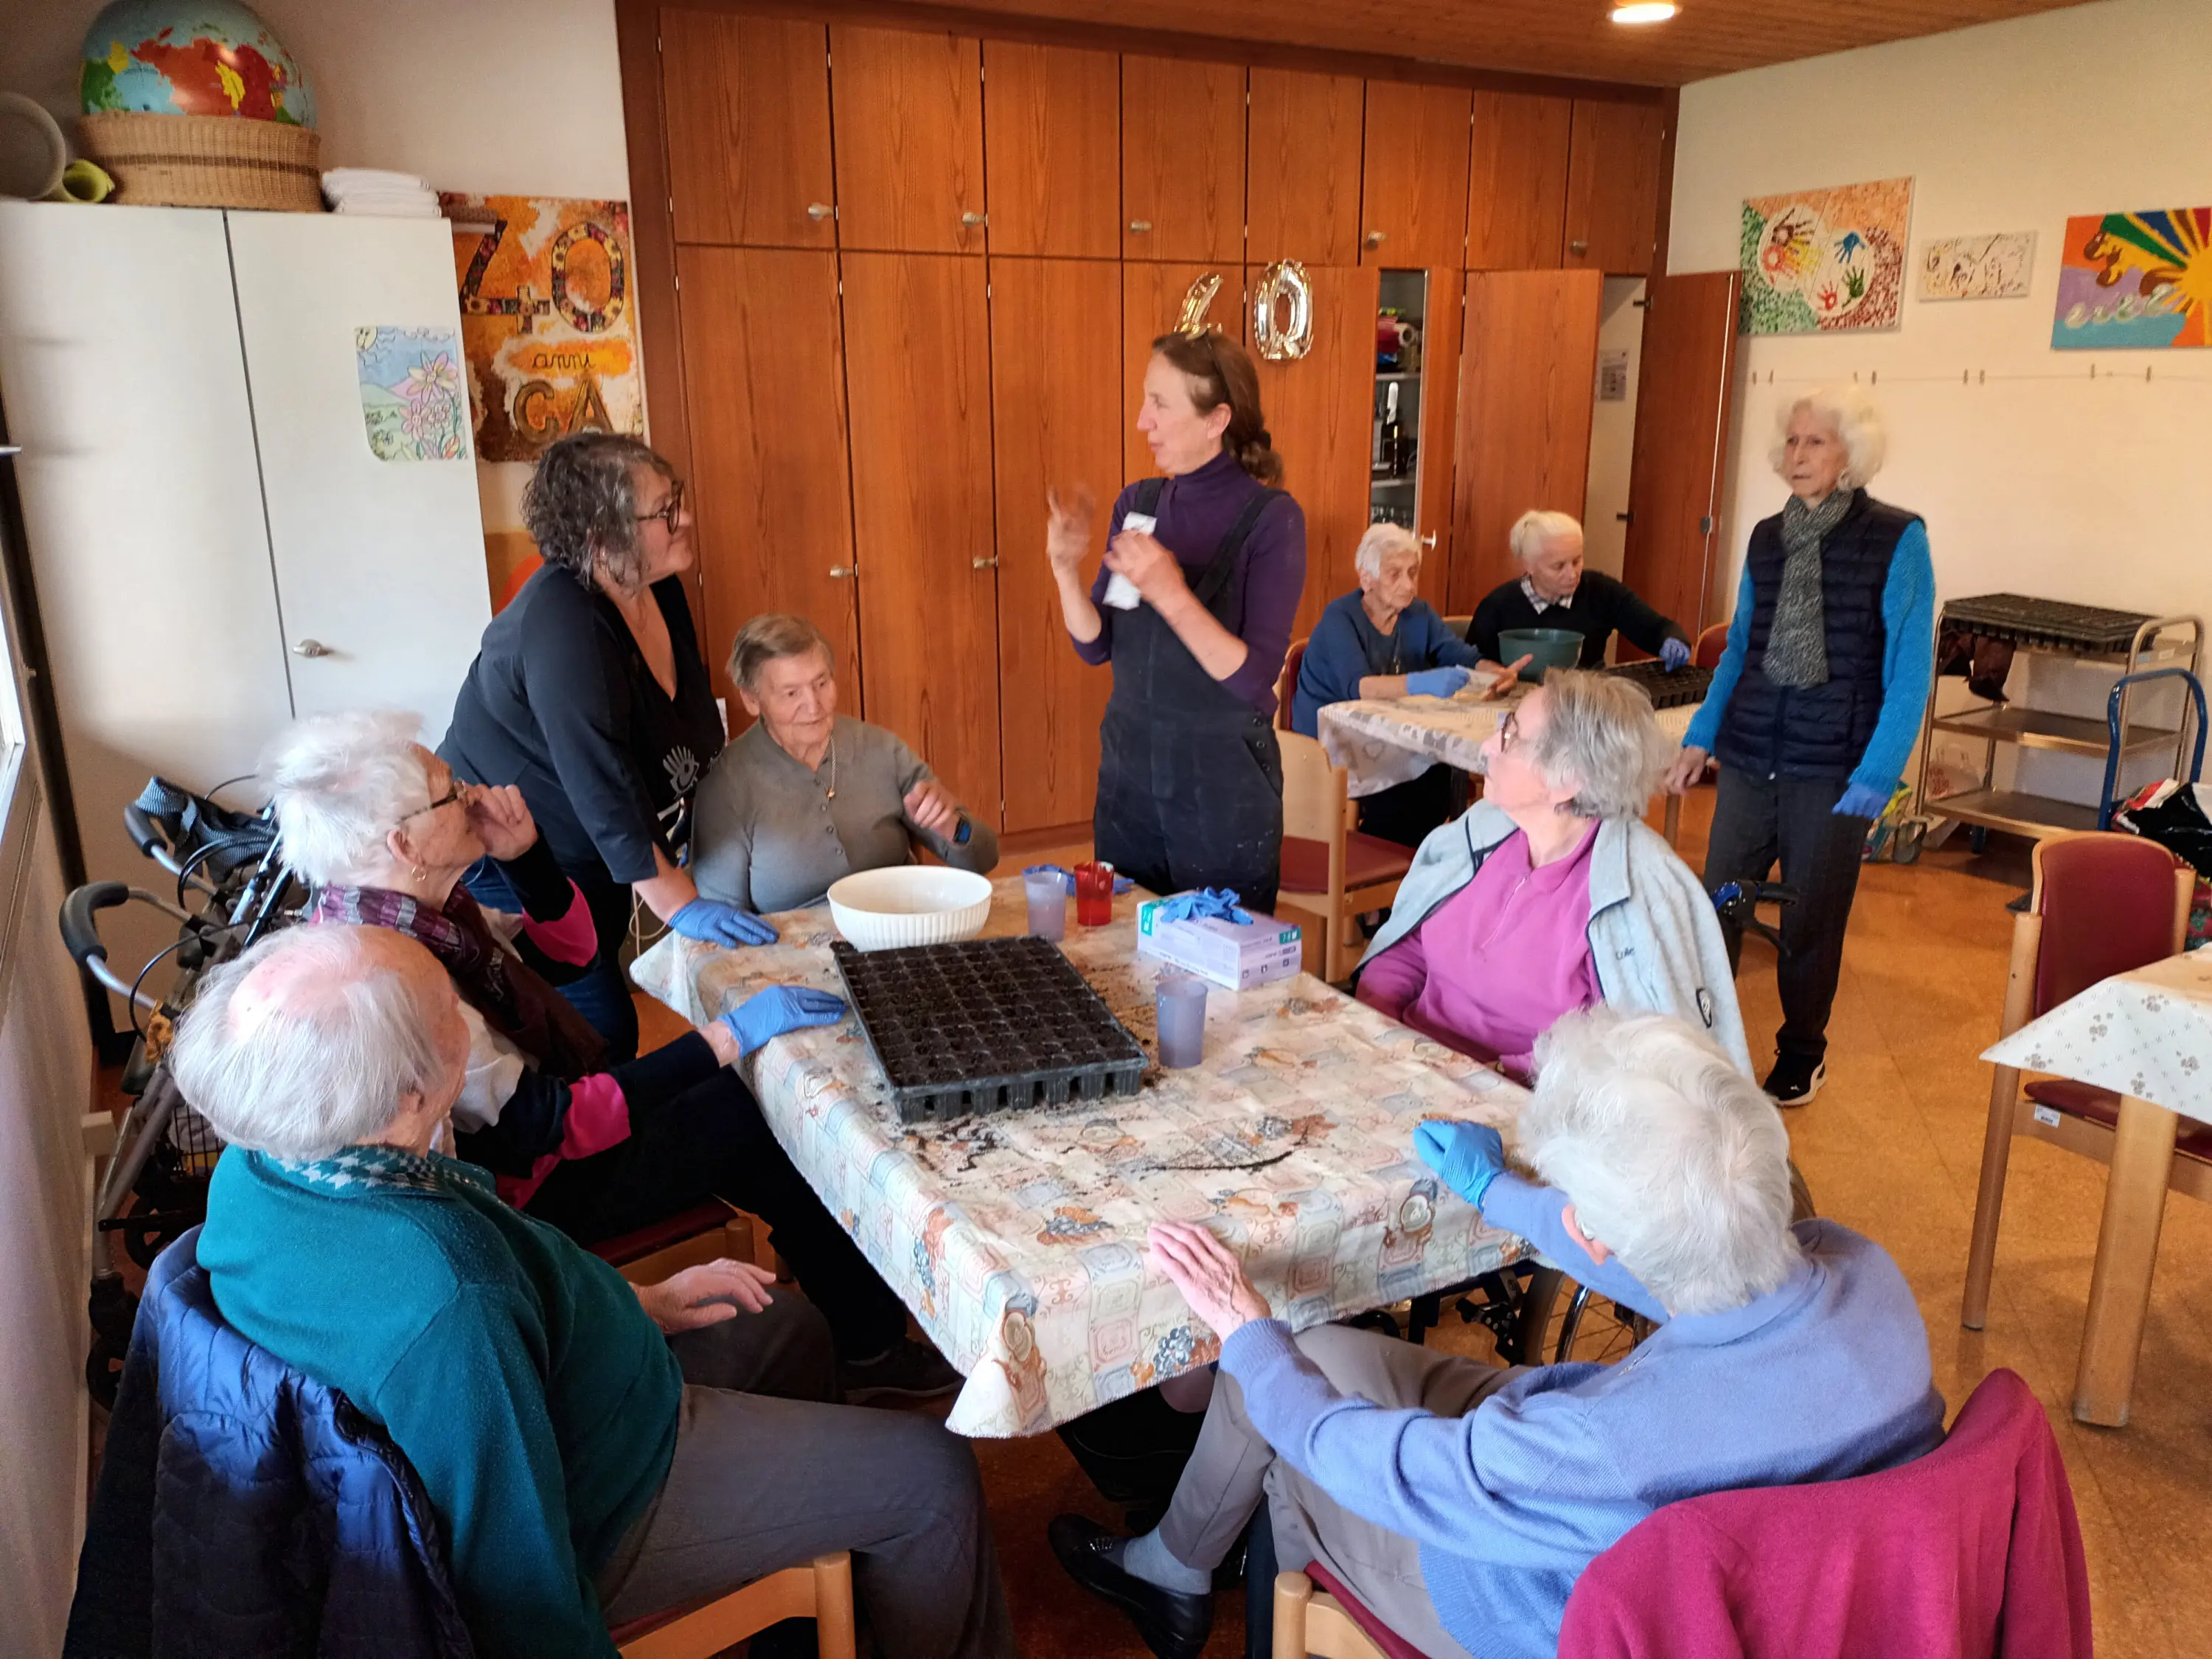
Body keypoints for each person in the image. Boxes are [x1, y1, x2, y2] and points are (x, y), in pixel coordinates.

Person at [171, 925, 1015, 1659]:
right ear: (410, 1092)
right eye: (448, 1009)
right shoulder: (446, 1299)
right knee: (933, 1475)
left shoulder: (264, 1164)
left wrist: (643, 1303)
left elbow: (519, 1290)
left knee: (789, 1329)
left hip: (573, 1388)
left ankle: (810, 1617)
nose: (467, 1014)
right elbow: (516, 1583)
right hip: (605, 1496)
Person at [1048, 1006, 1945, 1659]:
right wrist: (1498, 1194)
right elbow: (1684, 1263)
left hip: (1527, 1607)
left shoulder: (1602, 1447)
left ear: (1594, 1231)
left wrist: (1246, 1333)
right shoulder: (1864, 1273)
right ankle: (1174, 1565)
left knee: (1295, 1436)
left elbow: (1382, 1464)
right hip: (1645, 1506)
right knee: (1311, 1353)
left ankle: (1242, 1605)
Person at [264, 710, 956, 1401]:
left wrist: (526, 857)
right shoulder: (396, 977)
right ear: (403, 841)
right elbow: (548, 1125)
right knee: (762, 1116)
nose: (474, 794)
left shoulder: (410, 913)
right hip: (525, 1201)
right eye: (451, 791)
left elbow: (571, 957)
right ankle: (868, 1346)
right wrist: (726, 1038)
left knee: (748, 1106)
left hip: (535, 1153)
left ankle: (846, 1310)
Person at [442, 433, 768, 1064]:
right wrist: (680, 903)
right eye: (664, 512)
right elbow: (601, 780)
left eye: (677, 499)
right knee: (597, 1034)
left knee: (605, 1007)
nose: (686, 519)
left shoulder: (654, 583)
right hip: (510, 858)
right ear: (601, 538)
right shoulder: (564, 627)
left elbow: (687, 719)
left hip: (591, 846)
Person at [1663, 386, 1935, 1105]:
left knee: (1811, 917)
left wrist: (1880, 771)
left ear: (1852, 455)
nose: (1798, 454)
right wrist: (1700, 736)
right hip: (1751, 753)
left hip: (1836, 766)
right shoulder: (1766, 537)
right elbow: (1741, 649)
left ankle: (1802, 1052)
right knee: (1718, 903)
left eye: (1816, 441)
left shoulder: (1897, 539)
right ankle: (1701, 1043)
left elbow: (1911, 668)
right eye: (1792, 441)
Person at [1355, 668, 1750, 1079]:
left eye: (1510, 735)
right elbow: (1410, 945)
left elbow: (1615, 1056)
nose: (1489, 745)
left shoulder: (1627, 894)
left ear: (1567, 781)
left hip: (1512, 1097)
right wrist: (1378, 1024)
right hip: (1403, 1058)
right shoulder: (1482, 834)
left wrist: (1485, 1075)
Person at [1048, 330, 1307, 912]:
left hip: (1222, 792)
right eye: (1146, 400)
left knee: (1217, 957)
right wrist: (1064, 568)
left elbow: (1253, 678)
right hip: (1130, 781)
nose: (1143, 420)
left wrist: (1171, 592)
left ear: (1217, 419)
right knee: (1124, 947)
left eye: (1160, 404)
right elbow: (1096, 645)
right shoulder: (1138, 504)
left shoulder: (1273, 520)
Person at [690, 614, 1000, 913]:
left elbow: (984, 859)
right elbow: (722, 920)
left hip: (897, 929)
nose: (814, 706)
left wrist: (951, 826)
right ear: (751, 700)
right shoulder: (726, 784)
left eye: (821, 683)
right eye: (791, 693)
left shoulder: (881, 749)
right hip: (795, 944)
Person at [1290, 522, 1525, 849]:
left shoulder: (1418, 613)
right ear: (1366, 578)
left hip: (1391, 732)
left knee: (1439, 775)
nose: (1408, 584)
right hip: (1334, 736)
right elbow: (1359, 687)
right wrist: (1421, 683)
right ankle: (1383, 862)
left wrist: (1497, 673)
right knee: (1399, 794)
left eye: (1413, 572)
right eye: (1395, 574)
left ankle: (1411, 861)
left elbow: (1461, 655)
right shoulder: (1340, 617)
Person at [1467, 509, 1691, 669]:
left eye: (1577, 561)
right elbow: (1471, 664)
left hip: (1589, 700)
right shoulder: (1498, 606)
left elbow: (1654, 628)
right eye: (1558, 566)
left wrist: (1672, 640)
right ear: (1529, 566)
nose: (1572, 574)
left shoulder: (1601, 590)